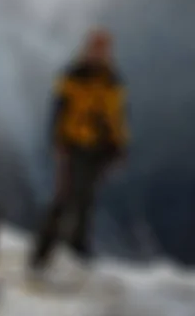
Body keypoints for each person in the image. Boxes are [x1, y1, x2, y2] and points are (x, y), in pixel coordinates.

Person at [27, 28, 129, 275]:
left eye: (102, 49)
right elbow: (59, 112)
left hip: (99, 149)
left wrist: (119, 146)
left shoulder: (111, 80)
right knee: (65, 198)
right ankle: (42, 253)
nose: (99, 54)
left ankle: (77, 248)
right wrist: (59, 143)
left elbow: (116, 116)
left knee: (86, 199)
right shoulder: (74, 77)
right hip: (74, 146)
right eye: (96, 48)